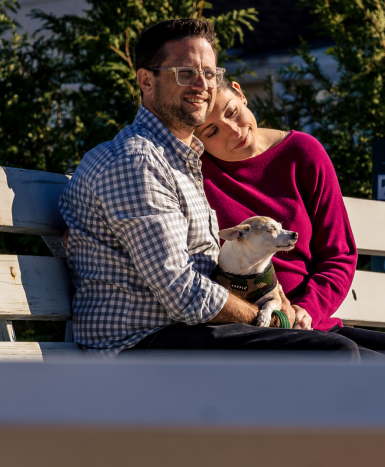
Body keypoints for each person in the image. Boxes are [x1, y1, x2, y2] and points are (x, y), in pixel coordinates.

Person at [59, 18, 363, 359]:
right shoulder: (137, 161)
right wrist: (274, 321)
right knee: (337, 356)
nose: (202, 84)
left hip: (193, 335)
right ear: (146, 81)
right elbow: (181, 290)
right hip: (142, 347)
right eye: (185, 73)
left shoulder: (183, 159)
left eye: (209, 73)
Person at [195, 80, 385, 362]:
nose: (234, 131)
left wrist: (305, 309)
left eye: (231, 111)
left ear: (240, 93)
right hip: (255, 331)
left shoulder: (302, 153)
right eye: (212, 131)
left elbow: (339, 255)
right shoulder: (197, 173)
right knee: (379, 371)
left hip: (314, 324)